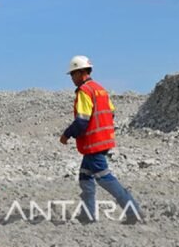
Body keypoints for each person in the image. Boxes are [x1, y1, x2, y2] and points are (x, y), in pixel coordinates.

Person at [59, 55, 142, 223]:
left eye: (73, 74)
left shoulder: (84, 91)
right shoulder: (100, 89)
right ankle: (87, 214)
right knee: (85, 177)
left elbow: (82, 121)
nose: (72, 78)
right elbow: (111, 113)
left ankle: (133, 211)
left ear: (81, 72)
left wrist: (66, 135)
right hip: (103, 141)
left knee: (105, 179)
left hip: (94, 144)